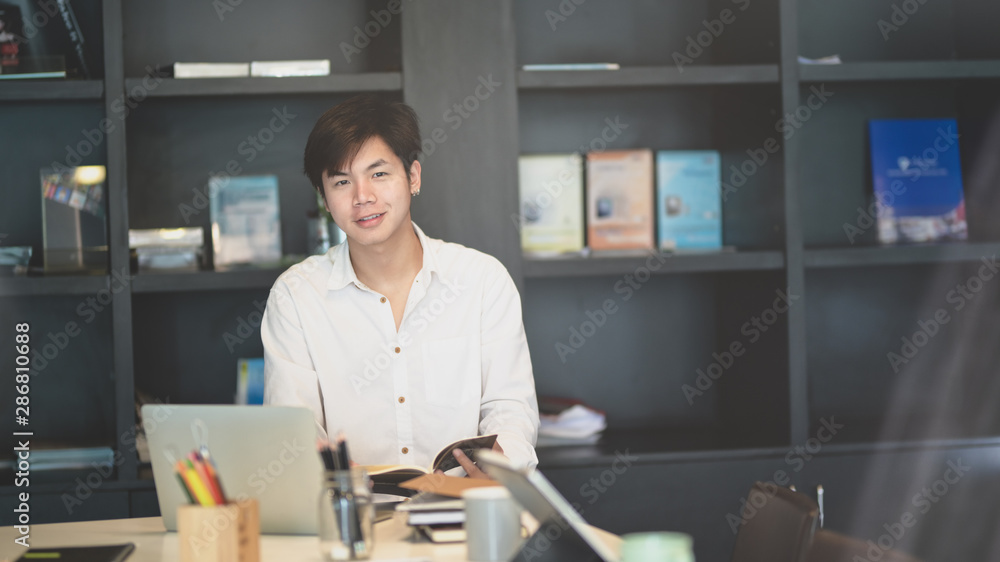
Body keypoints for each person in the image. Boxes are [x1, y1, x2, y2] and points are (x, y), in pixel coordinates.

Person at [262, 95, 539, 477]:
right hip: (353, 515)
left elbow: (510, 407)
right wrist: (326, 469)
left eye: (378, 174)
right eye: (342, 182)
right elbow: (292, 426)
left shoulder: (481, 281)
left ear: (413, 176)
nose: (363, 197)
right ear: (325, 199)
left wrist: (501, 465)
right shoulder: (296, 296)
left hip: (468, 509)